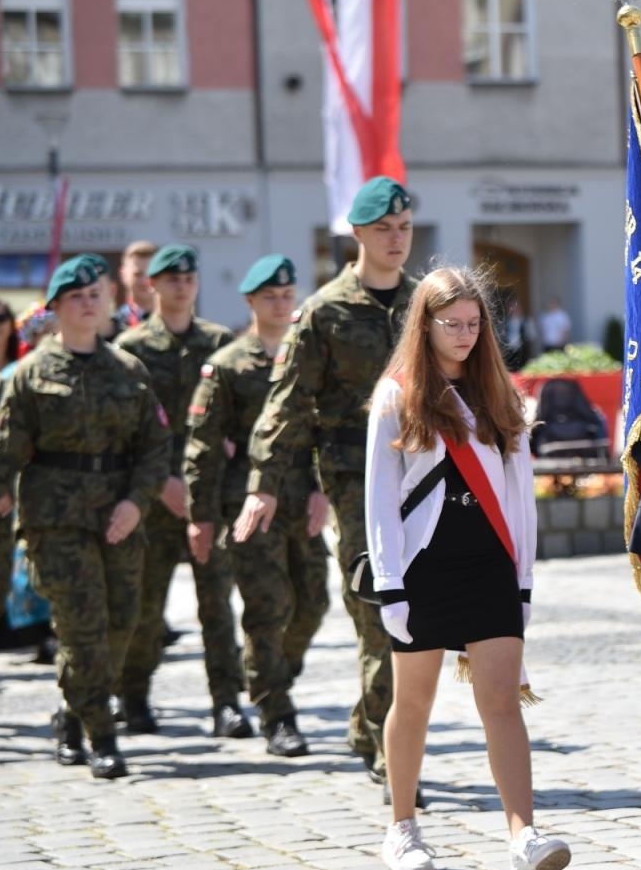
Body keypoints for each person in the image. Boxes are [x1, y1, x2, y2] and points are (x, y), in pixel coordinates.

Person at [364, 265, 570, 870]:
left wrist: (524, 579)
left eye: (473, 324)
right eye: (451, 324)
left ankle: (523, 838)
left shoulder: (497, 393)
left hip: (489, 564)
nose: (463, 335)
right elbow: (378, 497)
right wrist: (390, 583)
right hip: (423, 566)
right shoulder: (397, 394)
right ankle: (402, 826)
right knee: (415, 702)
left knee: (501, 703)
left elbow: (519, 496)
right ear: (422, 325)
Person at [237, 176, 417, 788]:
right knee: (378, 604)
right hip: (355, 478)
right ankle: (390, 749)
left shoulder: (427, 303)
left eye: (404, 227)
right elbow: (286, 403)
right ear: (358, 235)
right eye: (384, 230)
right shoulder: (324, 311)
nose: (397, 239)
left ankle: (372, 723)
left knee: (418, 607)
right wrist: (264, 482)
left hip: (426, 477)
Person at [0, 256, 170, 779]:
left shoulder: (128, 370)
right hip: (56, 522)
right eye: (74, 295)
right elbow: (1, 450)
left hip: (119, 517)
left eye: (94, 293)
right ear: (55, 308)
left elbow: (154, 448)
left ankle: (73, 711)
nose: (87, 301)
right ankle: (103, 737)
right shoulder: (32, 373)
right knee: (81, 631)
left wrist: (135, 502)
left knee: (123, 624)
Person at [184, 255, 329, 758]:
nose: (281, 303)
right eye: (271, 296)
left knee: (313, 602)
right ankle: (276, 713)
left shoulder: (306, 359)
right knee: (266, 609)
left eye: (288, 295)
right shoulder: (227, 366)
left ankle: (270, 675)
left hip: (300, 499)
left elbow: (320, 433)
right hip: (247, 505)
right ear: (250, 302)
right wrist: (200, 517)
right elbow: (201, 446)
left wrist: (322, 488)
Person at [114, 244, 247, 736]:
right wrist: (161, 483)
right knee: (145, 609)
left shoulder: (217, 343)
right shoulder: (130, 349)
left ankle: (226, 702)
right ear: (153, 285)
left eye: (188, 277)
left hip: (207, 497)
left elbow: (236, 416)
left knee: (216, 604)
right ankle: (133, 696)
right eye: (171, 278)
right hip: (152, 498)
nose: (181, 285)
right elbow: (122, 432)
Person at [115, 240, 159, 332]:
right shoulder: (114, 326)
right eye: (138, 274)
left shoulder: (175, 323)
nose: (145, 281)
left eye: (150, 274)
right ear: (123, 274)